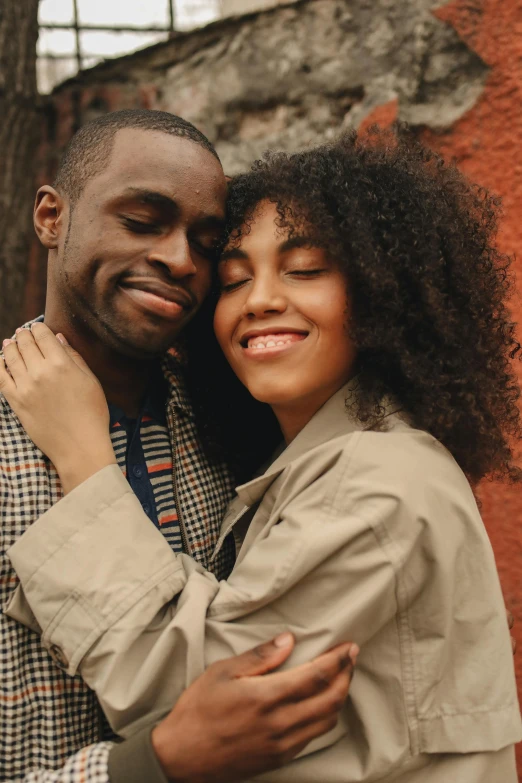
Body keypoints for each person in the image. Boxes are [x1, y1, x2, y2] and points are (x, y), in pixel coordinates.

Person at [2, 128, 521, 782]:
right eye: (235, 277)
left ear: (380, 292)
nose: (260, 299)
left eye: (304, 270)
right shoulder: (265, 455)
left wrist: (83, 457)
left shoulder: (378, 478)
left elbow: (203, 699)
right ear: (50, 216)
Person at [0, 109, 356, 783]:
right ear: (51, 216)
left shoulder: (240, 425)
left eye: (206, 241)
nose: (179, 259)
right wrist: (146, 766)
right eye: (142, 221)